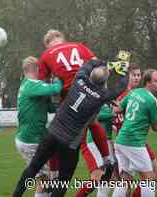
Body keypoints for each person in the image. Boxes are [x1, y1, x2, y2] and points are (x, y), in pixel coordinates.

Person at [13, 59, 129, 197]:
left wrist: (105, 62)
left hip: (52, 133)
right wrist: (124, 70)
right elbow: (120, 88)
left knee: (33, 168)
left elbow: (87, 65)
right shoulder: (102, 96)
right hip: (70, 143)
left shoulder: (78, 80)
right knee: (63, 181)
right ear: (104, 83)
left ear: (90, 76)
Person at [38, 29, 110, 179]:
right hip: (91, 91)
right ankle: (106, 158)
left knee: (57, 134)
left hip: (71, 99)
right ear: (63, 39)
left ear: (47, 44)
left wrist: (54, 92)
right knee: (93, 122)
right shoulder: (79, 46)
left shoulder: (46, 55)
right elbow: (101, 68)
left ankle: (55, 173)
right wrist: (102, 92)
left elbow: (42, 85)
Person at [15, 56, 62, 197]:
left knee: (44, 180)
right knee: (43, 181)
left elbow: (50, 108)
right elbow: (56, 88)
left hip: (30, 138)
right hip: (31, 140)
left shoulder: (28, 84)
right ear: (37, 69)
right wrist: (58, 76)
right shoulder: (31, 84)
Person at [114, 69, 157, 197]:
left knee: (126, 179)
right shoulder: (152, 101)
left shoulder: (134, 92)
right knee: (149, 177)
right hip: (134, 142)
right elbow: (156, 127)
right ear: (148, 82)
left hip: (120, 141)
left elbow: (118, 108)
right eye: (156, 81)